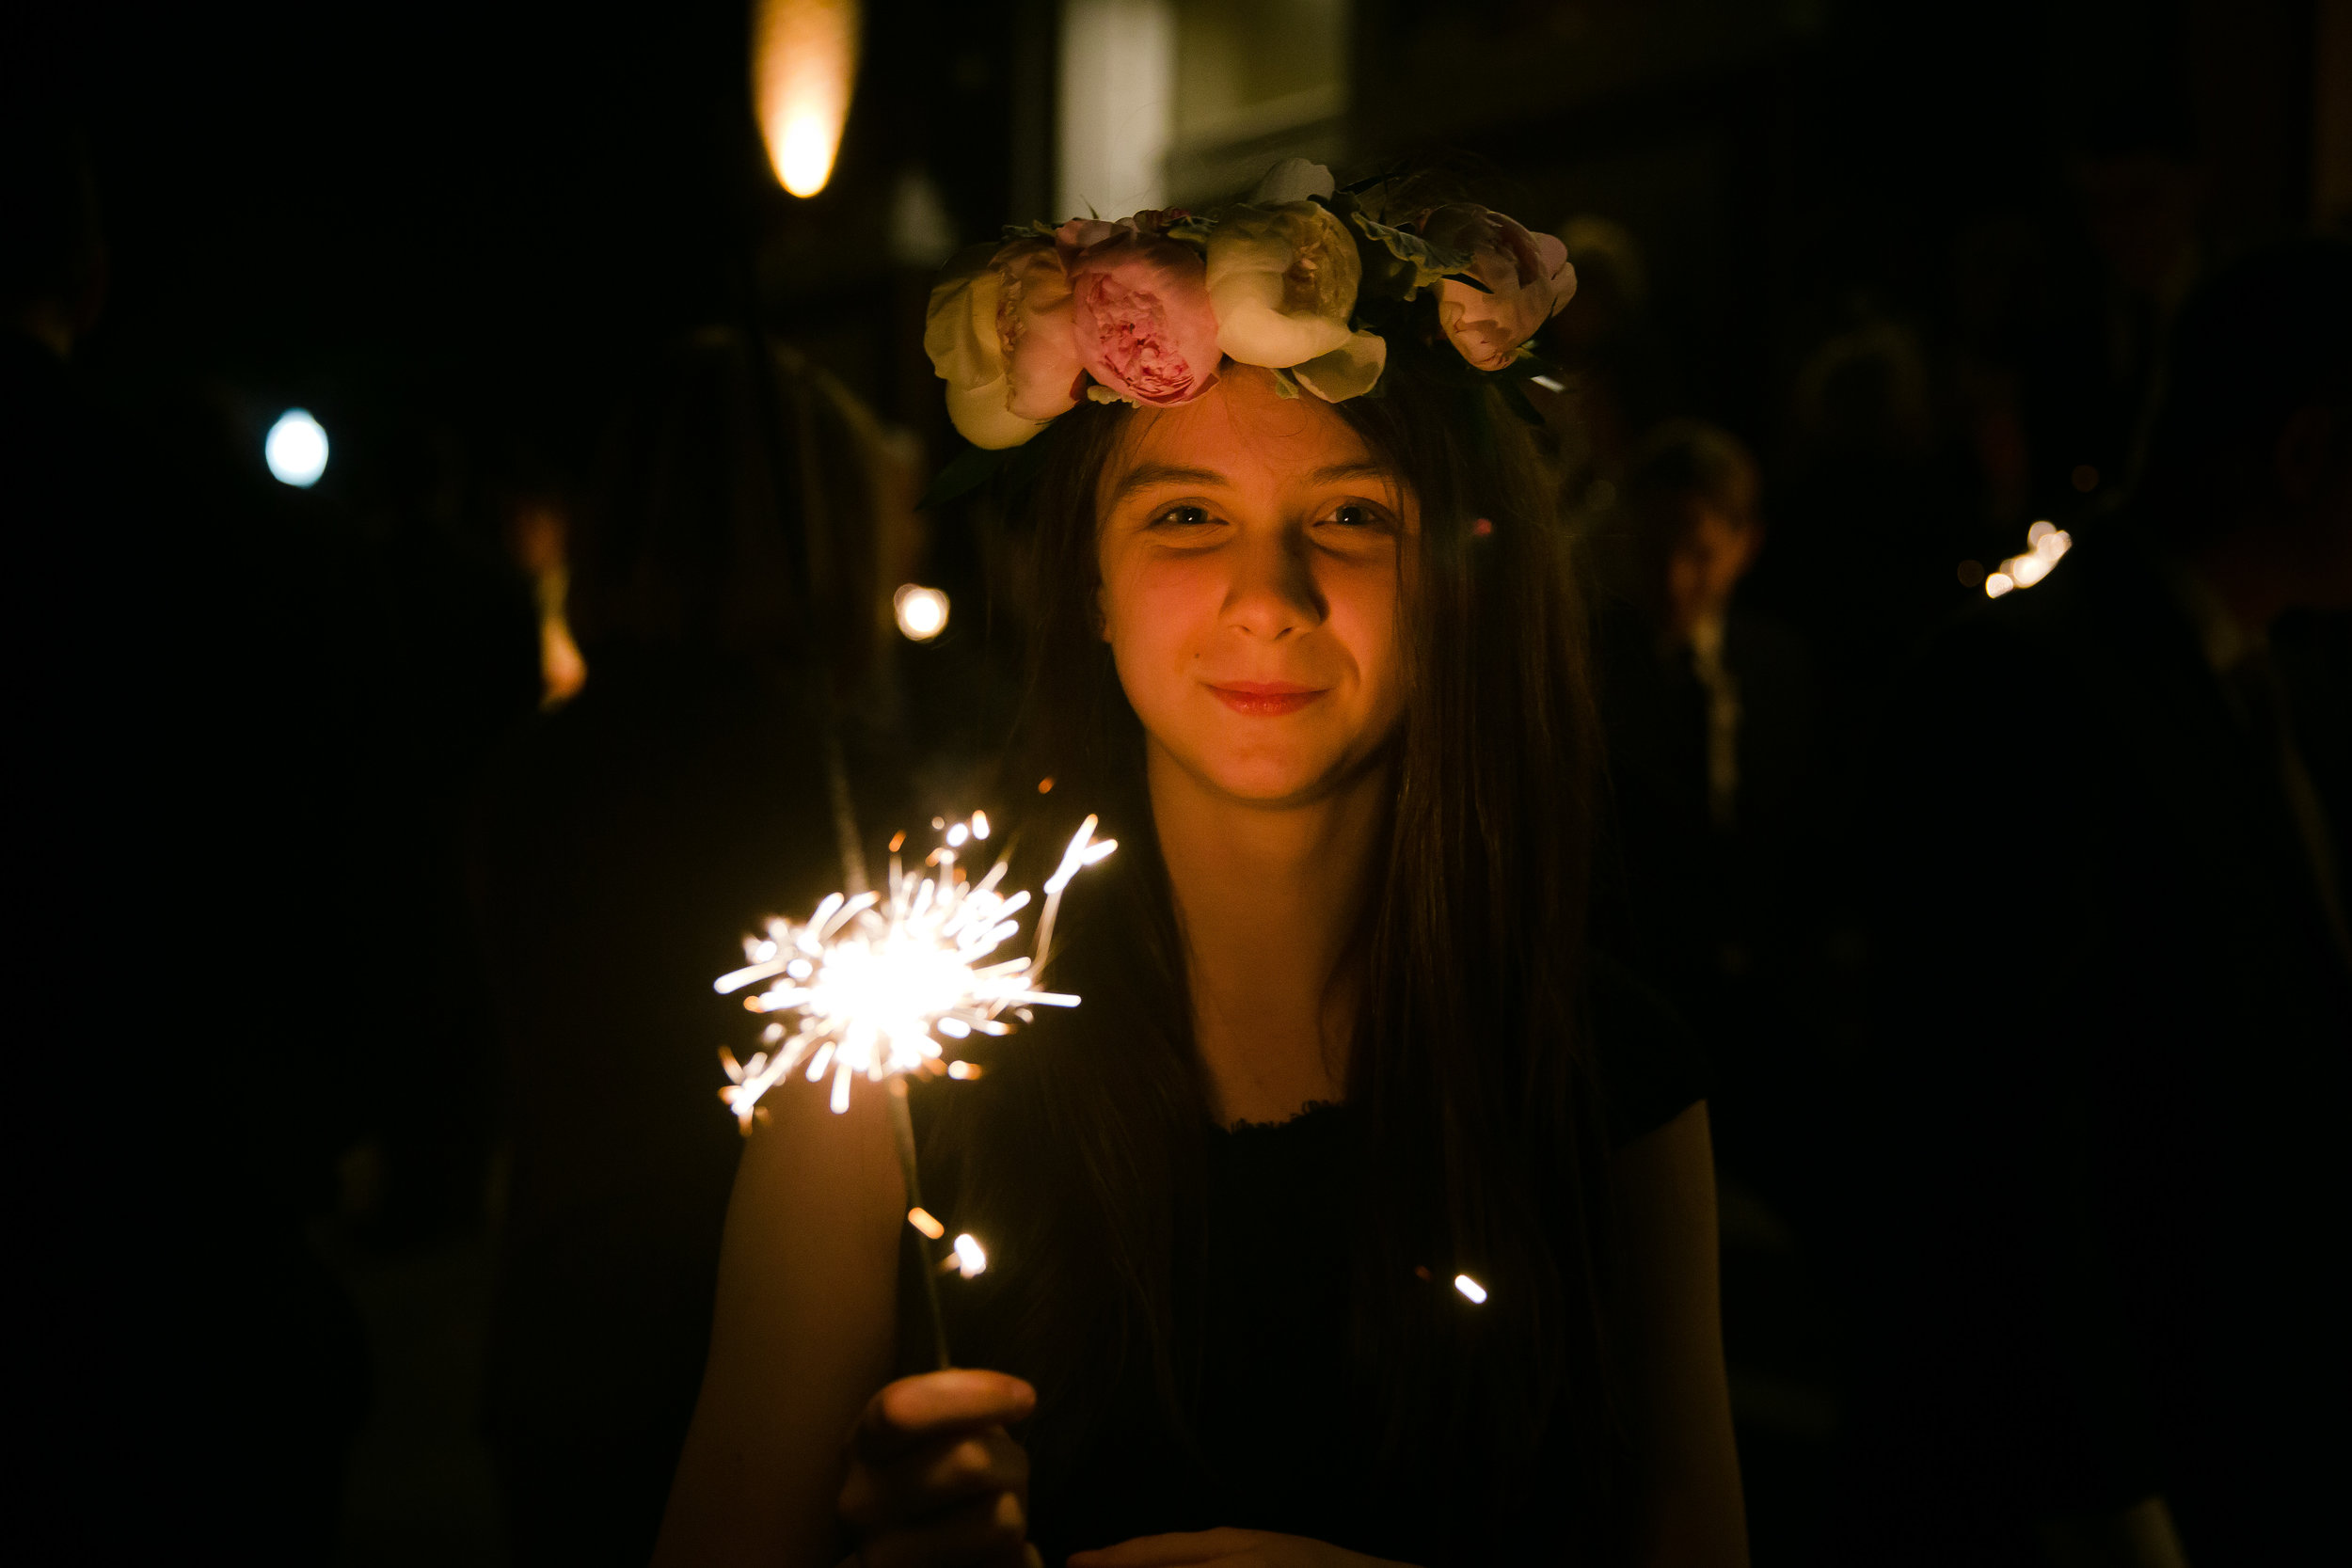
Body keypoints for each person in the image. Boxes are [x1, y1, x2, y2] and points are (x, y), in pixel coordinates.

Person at [655, 165, 1747, 1567]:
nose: (1269, 599)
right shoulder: (892, 1097)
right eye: (1185, 517)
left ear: (1458, 580)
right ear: (1092, 587)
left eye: (1353, 516)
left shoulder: (1607, 1081)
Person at [1849, 239, 2352, 1565]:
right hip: (2139, 1475)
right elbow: (1987, 1137)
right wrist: (2102, 1492)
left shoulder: (2257, 676)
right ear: (2306, 453)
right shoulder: (2025, 692)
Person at [472, 328, 923, 1567]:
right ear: (821, 528)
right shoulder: (827, 779)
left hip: (561, 1322)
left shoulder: (539, 765)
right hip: (757, 1335)